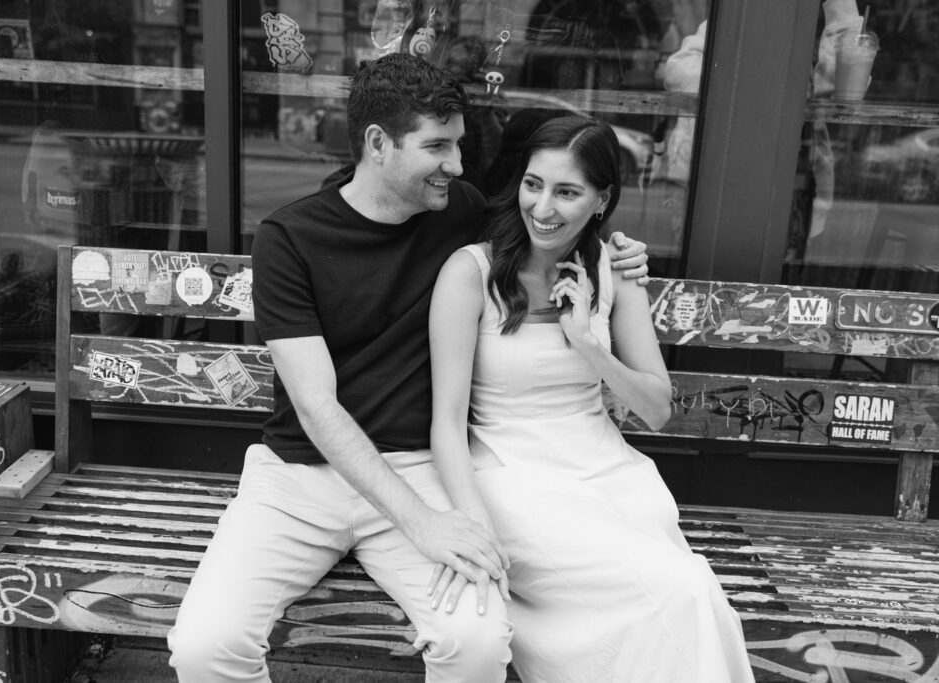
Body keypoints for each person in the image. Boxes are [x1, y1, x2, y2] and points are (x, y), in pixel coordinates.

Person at [167, 54, 651, 682]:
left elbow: (553, 221)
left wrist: (619, 251)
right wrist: (423, 524)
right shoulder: (289, 239)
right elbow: (316, 407)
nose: (456, 163)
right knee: (205, 646)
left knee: (475, 643)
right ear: (378, 144)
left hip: (418, 466)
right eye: (438, 146)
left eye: (459, 145)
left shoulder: (460, 210)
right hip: (299, 477)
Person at [428, 115, 755, 682]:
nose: (544, 207)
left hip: (606, 474)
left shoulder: (615, 270)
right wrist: (472, 525)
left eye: (568, 192)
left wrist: (589, 346)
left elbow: (656, 409)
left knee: (688, 592)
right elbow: (447, 424)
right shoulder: (471, 272)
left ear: (601, 201)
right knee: (672, 588)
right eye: (534, 184)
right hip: (510, 475)